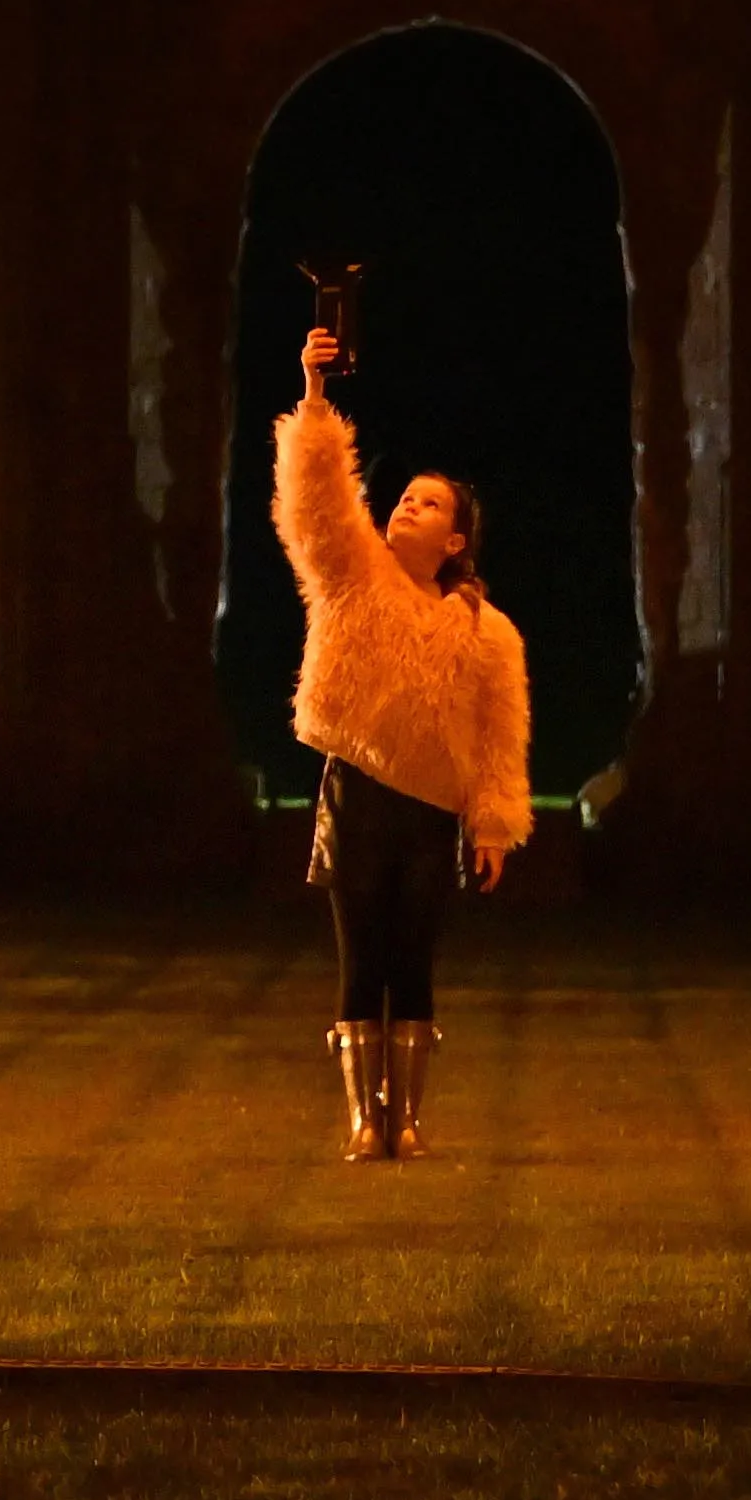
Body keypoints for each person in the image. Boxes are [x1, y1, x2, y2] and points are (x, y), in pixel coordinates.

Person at [274, 318, 525, 1160]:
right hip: (356, 792)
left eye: (428, 503)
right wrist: (314, 394)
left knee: (413, 959)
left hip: (429, 810)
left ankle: (407, 1117)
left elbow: (499, 735)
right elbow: (316, 502)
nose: (406, 506)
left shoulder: (487, 631)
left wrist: (493, 823)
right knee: (360, 959)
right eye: (404, 496)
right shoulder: (353, 576)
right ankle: (360, 1118)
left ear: (455, 539)